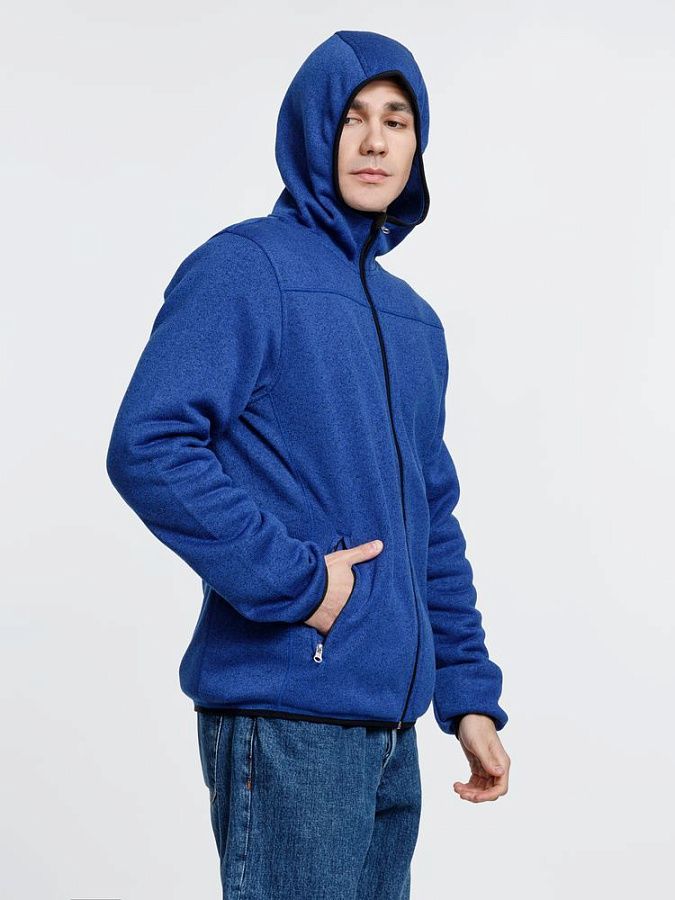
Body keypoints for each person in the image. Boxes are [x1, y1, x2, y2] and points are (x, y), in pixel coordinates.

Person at [106, 29, 511, 899]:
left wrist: (467, 693)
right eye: (352, 117)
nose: (374, 141)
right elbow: (149, 444)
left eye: (396, 121)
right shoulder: (245, 268)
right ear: (312, 129)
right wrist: (299, 585)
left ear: (416, 144)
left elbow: (430, 519)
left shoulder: (413, 321)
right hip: (290, 709)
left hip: (390, 729)